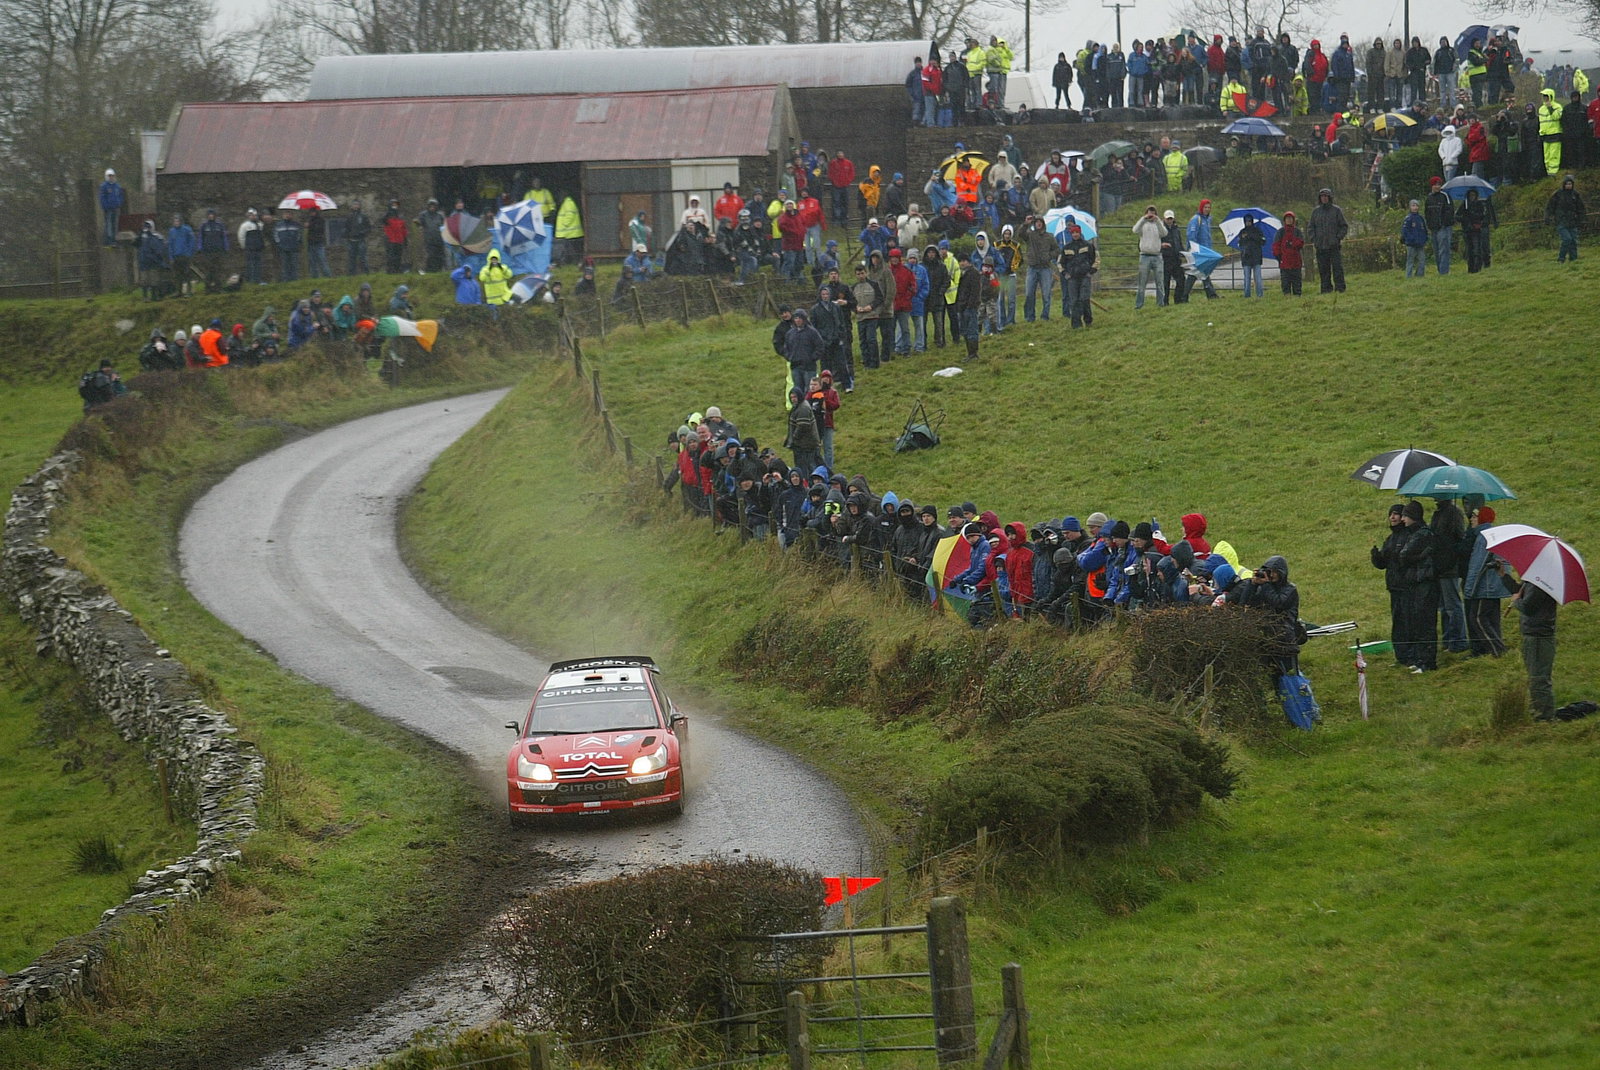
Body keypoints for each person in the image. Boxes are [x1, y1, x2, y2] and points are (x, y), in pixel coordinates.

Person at [1461, 505, 1510, 657]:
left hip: (1485, 587)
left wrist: (1469, 590)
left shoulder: (1483, 537)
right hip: (1495, 586)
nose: (1471, 520)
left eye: (1475, 517)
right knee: (1493, 619)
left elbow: (1477, 566)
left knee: (1477, 618)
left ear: (1482, 519)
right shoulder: (1494, 534)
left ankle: (1497, 650)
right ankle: (1498, 650)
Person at [1512, 577, 1559, 719]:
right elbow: (1520, 592)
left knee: (1538, 678)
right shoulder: (1533, 580)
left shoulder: (1540, 582)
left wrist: (1516, 602)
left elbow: (1528, 607)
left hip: (1538, 636)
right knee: (1536, 676)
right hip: (1534, 635)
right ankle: (1540, 713)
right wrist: (1503, 576)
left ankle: (1544, 716)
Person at [1430, 500, 1470, 654]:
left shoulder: (1453, 513)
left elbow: (1459, 537)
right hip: (1440, 566)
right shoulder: (1439, 513)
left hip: (1449, 566)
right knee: (1445, 607)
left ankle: (1458, 640)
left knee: (1453, 605)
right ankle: (1448, 640)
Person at [1307, 188, 1348, 293]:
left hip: (1334, 245)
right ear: (1320, 198)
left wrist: (1338, 237)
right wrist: (1314, 240)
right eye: (1322, 196)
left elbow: (1344, 226)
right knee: (1323, 269)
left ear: (1329, 198)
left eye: (1326, 196)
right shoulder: (1315, 212)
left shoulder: (1336, 210)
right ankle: (1326, 289)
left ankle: (1340, 288)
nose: (1324, 198)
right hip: (1320, 246)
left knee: (1337, 268)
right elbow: (1311, 228)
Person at [1058, 222, 1096, 328]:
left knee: (1084, 299)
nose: (1075, 234)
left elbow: (1096, 259)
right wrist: (1065, 273)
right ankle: (1076, 324)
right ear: (1071, 234)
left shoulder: (1088, 246)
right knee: (1074, 301)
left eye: (1077, 232)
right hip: (1072, 278)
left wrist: (1091, 271)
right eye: (1073, 232)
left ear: (1080, 233)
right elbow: (1061, 263)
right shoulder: (1066, 248)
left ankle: (1088, 320)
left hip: (1085, 276)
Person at [1021, 217, 1057, 322]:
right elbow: (1020, 234)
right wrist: (1025, 224)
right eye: (1036, 222)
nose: (1038, 224)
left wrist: (1049, 256)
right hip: (1032, 268)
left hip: (1045, 268)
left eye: (1040, 222)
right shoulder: (1030, 235)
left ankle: (1045, 316)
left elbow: (1057, 249)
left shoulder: (1049, 236)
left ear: (1043, 224)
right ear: (1034, 224)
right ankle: (1030, 317)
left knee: (1046, 294)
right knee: (1029, 294)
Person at [1131, 204, 1166, 309]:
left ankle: (1160, 304)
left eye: (1153, 212)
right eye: (1149, 212)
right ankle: (1139, 305)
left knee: (1159, 282)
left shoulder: (1158, 224)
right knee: (1142, 282)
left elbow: (1164, 233)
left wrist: (1158, 220)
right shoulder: (1143, 224)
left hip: (1157, 256)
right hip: (1144, 256)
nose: (1151, 215)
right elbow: (1135, 230)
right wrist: (1143, 219)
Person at [1546, 175, 1586, 262]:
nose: (1569, 185)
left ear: (1573, 184)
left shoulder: (1575, 195)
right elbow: (1550, 207)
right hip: (1561, 221)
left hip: (1573, 221)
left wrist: (1582, 219)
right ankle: (1561, 258)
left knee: (1574, 241)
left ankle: (1573, 259)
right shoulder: (1558, 194)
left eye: (1570, 184)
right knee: (1567, 239)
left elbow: (1581, 208)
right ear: (1564, 184)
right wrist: (1547, 217)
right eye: (1567, 184)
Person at [1455, 187, 1496, 273]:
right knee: (1470, 250)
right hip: (1467, 230)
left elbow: (1483, 216)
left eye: (1474, 195)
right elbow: (1457, 216)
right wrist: (1465, 218)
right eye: (1470, 195)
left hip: (1477, 230)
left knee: (1477, 250)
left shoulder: (1479, 204)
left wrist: (1475, 217)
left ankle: (1477, 268)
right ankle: (1471, 269)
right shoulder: (1464, 205)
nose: (1472, 197)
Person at [1185, 200, 1219, 300]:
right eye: (1205, 207)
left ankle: (1210, 295)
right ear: (1201, 208)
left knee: (1203, 273)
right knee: (1197, 273)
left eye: (1209, 207)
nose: (1207, 209)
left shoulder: (1207, 220)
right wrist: (1195, 250)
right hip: (1199, 252)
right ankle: (1184, 295)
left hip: (1206, 251)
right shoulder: (1196, 219)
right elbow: (1191, 235)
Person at [1422, 177, 1454, 274]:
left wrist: (1444, 223)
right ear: (1431, 186)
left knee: (1444, 250)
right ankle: (1439, 269)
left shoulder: (1445, 196)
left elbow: (1450, 211)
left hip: (1443, 227)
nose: (1437, 186)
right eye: (1435, 184)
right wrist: (1429, 225)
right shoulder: (1429, 198)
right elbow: (1427, 213)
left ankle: (1444, 271)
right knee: (1436, 250)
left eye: (1439, 184)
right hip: (1433, 228)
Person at [1271, 210, 1304, 295]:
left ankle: (1297, 297)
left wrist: (1292, 243)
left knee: (1297, 282)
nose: (1289, 220)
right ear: (1284, 220)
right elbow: (1276, 245)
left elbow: (1301, 243)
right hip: (1284, 262)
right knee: (1285, 282)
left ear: (1293, 220)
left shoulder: (1297, 231)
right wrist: (1279, 257)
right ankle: (1287, 298)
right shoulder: (1280, 232)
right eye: (1287, 218)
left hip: (1296, 262)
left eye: (1290, 218)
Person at [1236, 213, 1265, 297]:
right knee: (1247, 279)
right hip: (1246, 258)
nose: (1248, 222)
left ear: (1252, 221)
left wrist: (1252, 237)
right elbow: (1239, 244)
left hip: (1256, 257)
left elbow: (1263, 241)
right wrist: (1244, 239)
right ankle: (1247, 295)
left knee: (1258, 278)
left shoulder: (1257, 231)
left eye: (1249, 221)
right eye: (1246, 221)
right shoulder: (1242, 232)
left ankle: (1260, 295)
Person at [1401, 199, 1429, 278]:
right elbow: (1405, 231)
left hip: (1420, 243)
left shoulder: (1420, 218)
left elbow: (1424, 230)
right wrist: (1411, 239)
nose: (1415, 207)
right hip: (1411, 244)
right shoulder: (1408, 218)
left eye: (1416, 206)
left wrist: (1425, 238)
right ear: (1410, 207)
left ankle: (1419, 275)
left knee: (1422, 260)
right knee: (1410, 260)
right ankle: (1408, 276)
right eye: (1413, 206)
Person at [98, 169, 124, 246]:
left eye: (112, 176)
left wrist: (119, 203)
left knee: (114, 224)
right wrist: (106, 206)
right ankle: (109, 240)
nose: (111, 177)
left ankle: (114, 239)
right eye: (109, 176)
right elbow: (102, 198)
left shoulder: (117, 186)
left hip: (115, 208)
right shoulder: (104, 186)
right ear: (106, 177)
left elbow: (120, 196)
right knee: (108, 224)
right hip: (108, 209)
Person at [345, 199, 372, 275]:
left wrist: (362, 232)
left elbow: (369, 228)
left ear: (359, 206)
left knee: (363, 258)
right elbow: (346, 227)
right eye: (354, 204)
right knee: (351, 259)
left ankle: (366, 273)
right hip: (351, 240)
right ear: (352, 206)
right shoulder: (349, 216)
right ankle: (352, 275)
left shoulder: (363, 216)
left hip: (360, 240)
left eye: (357, 204)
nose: (355, 206)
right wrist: (346, 234)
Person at [382, 200, 408, 273]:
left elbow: (403, 229)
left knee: (398, 256)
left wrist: (405, 240)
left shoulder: (400, 217)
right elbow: (383, 220)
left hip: (399, 240)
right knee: (390, 257)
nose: (395, 206)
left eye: (396, 205)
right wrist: (389, 211)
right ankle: (390, 270)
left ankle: (397, 270)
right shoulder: (387, 216)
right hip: (390, 240)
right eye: (393, 205)